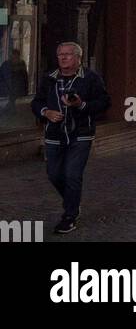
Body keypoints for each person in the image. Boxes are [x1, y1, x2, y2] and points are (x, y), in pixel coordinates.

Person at [31, 40, 110, 234]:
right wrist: (45, 112)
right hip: (54, 133)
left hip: (80, 134)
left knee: (72, 175)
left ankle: (70, 215)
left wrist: (81, 105)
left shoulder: (90, 78)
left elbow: (104, 102)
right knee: (54, 174)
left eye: (68, 54)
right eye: (60, 54)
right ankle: (72, 201)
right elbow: (36, 102)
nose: (63, 58)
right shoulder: (49, 78)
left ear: (78, 58)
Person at [0, 49, 29, 126]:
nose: (15, 57)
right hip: (8, 90)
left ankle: (10, 109)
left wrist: (25, 90)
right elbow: (3, 78)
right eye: (13, 55)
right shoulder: (6, 64)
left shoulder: (21, 63)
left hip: (18, 90)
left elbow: (25, 78)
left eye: (16, 55)